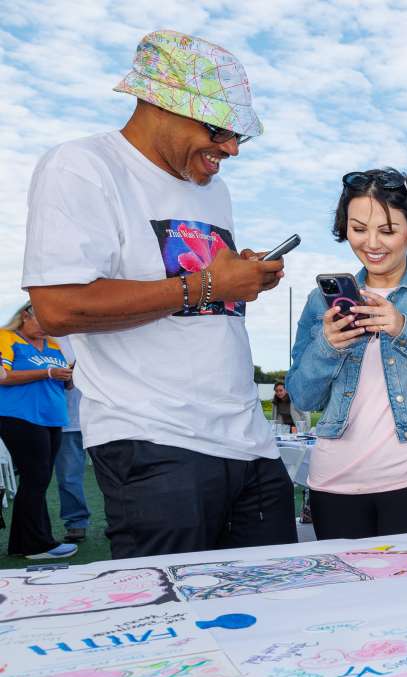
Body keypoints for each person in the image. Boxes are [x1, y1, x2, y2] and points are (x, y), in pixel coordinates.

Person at [22, 30, 297, 559]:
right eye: (219, 128)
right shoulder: (83, 166)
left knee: (272, 606)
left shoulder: (213, 189)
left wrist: (234, 280)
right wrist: (210, 285)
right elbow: (57, 307)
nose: (232, 148)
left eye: (241, 135)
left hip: (249, 439)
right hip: (153, 439)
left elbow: (195, 301)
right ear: (161, 105)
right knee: (179, 623)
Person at [287, 168, 407, 539]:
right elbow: (302, 396)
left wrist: (403, 329)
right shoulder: (321, 302)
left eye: (388, 230)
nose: (372, 243)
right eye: (358, 229)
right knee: (348, 597)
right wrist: (328, 346)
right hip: (335, 484)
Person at [0, 303, 76, 560]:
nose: (47, 327)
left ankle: (24, 544)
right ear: (24, 315)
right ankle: (36, 545)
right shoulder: (6, 336)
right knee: (36, 478)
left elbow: (65, 385)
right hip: (19, 416)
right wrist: (48, 372)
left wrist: (67, 376)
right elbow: (2, 376)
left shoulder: (54, 345)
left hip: (52, 418)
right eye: (42, 320)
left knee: (38, 480)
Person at [53, 336, 91, 542]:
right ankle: (76, 522)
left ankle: (119, 520)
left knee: (113, 473)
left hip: (101, 415)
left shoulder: (93, 332)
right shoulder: (49, 337)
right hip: (67, 419)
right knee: (68, 476)